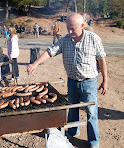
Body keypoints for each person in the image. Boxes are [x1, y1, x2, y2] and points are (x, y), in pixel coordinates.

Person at [27, 13, 108, 148]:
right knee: (72, 108)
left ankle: (94, 142)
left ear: (82, 26)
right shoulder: (65, 40)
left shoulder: (93, 38)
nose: (69, 32)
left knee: (91, 112)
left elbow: (101, 59)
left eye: (73, 29)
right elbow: (50, 51)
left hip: (89, 82)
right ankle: (73, 131)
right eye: (68, 28)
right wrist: (35, 63)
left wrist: (105, 80)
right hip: (72, 81)